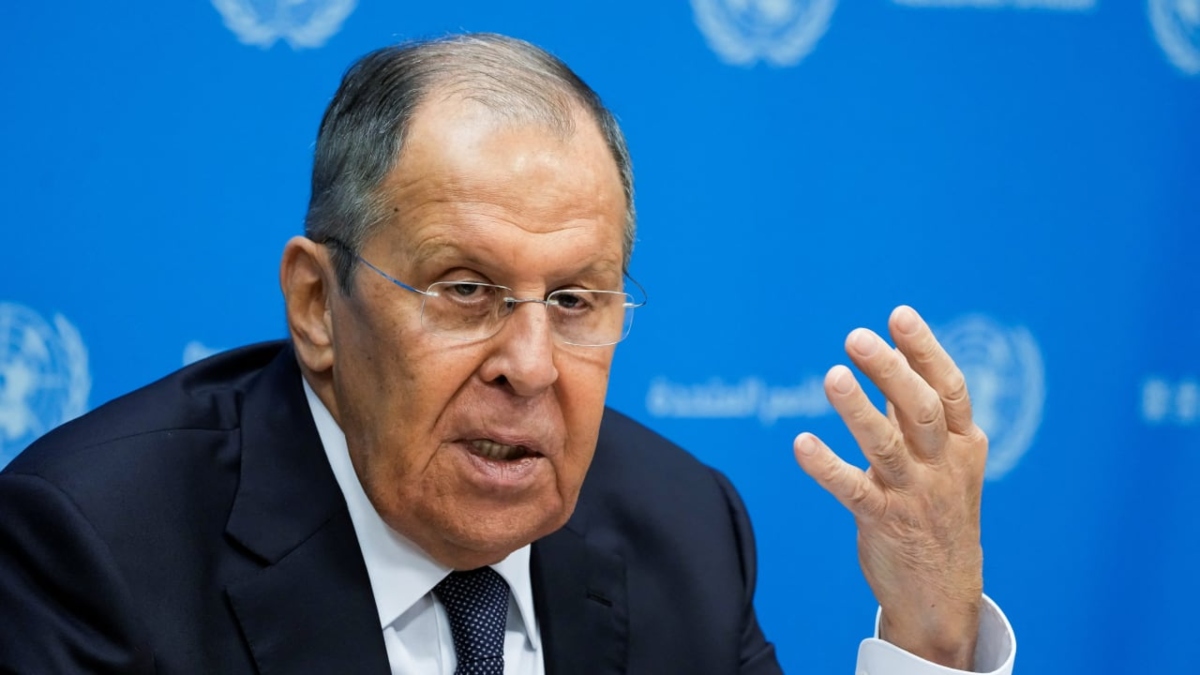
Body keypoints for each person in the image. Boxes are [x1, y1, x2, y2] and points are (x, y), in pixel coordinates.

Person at [0, 33, 1015, 673]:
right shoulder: (99, 548)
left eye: (575, 299)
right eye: (466, 291)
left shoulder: (681, 530)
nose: (530, 364)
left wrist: (927, 639)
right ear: (317, 304)